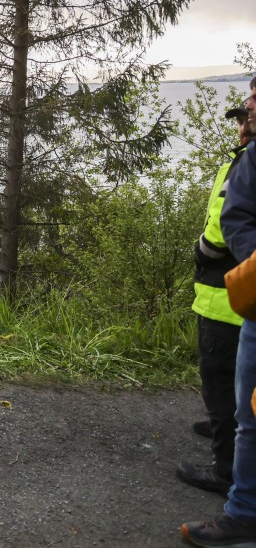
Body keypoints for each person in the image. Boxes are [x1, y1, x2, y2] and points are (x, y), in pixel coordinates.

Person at [184, 75, 256, 547]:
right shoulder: (246, 162)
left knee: (223, 383)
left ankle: (225, 468)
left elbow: (220, 226)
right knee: (234, 394)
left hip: (227, 298)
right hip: (239, 296)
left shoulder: (242, 164)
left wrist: (204, 249)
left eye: (246, 114)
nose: (242, 120)